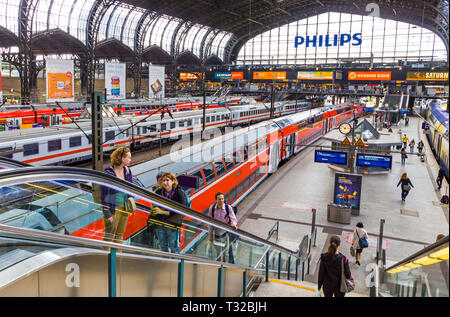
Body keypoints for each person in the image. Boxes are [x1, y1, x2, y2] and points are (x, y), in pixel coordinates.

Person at [101, 147, 133, 244]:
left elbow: (130, 189)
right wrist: (107, 214)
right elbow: (104, 195)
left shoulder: (127, 171)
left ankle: (117, 257)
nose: (130, 160)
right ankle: (106, 257)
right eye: (129, 158)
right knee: (109, 236)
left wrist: (130, 203)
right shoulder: (109, 173)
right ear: (122, 159)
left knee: (119, 235)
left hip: (124, 208)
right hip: (113, 209)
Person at [152, 172, 187, 253]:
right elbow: (154, 205)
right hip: (160, 223)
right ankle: (166, 264)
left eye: (167, 180)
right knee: (163, 246)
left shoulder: (179, 192)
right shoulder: (158, 192)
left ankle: (175, 264)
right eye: (163, 180)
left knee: (173, 247)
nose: (165, 182)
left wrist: (162, 212)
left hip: (172, 224)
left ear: (173, 181)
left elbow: (181, 209)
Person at [208, 192, 238, 263]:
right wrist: (210, 236)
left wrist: (233, 224)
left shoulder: (228, 208)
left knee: (228, 249)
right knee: (218, 250)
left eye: (222, 199)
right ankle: (219, 264)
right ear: (216, 200)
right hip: (217, 232)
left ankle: (230, 263)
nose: (221, 201)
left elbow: (233, 218)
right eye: (219, 199)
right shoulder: (212, 208)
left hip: (226, 232)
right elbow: (210, 223)